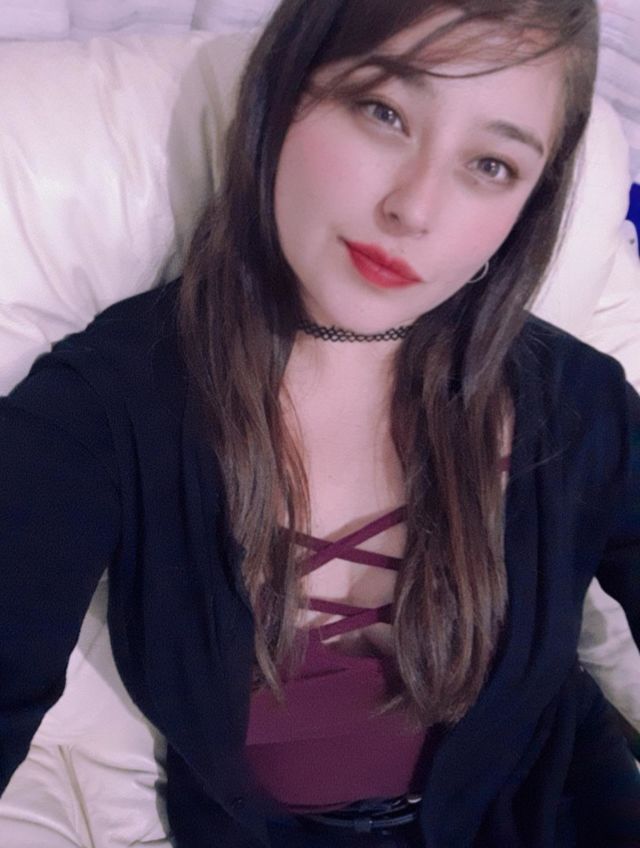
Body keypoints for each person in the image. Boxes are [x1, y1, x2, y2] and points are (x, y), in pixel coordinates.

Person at [0, 0, 639, 845]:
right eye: (383, 111)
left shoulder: (577, 403)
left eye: (490, 164)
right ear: (285, 88)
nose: (414, 207)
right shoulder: (104, 405)